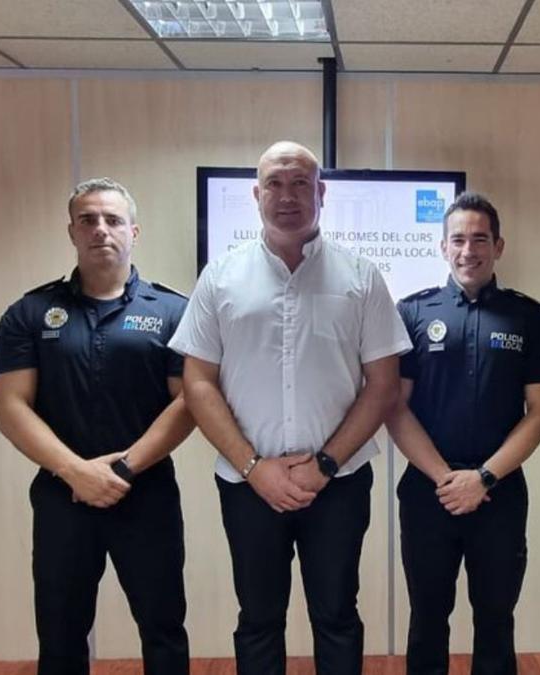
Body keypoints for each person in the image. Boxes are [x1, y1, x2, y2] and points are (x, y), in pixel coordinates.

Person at [170, 141, 411, 675]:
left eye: (300, 183)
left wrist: (324, 464)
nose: (287, 196)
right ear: (256, 195)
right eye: (275, 184)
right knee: (258, 619)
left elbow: (382, 384)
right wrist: (255, 468)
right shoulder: (220, 277)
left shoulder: (362, 277)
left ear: (321, 193)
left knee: (337, 617)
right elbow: (199, 383)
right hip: (248, 484)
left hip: (340, 482)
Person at [0, 177, 194, 675]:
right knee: (60, 630)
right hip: (63, 494)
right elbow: (12, 409)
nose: (100, 229)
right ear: (72, 231)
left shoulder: (174, 312)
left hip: (146, 492)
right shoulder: (29, 313)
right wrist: (76, 472)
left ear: (134, 231)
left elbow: (190, 402)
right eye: (88, 220)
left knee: (163, 625)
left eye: (112, 220)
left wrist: (124, 469)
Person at [384, 192, 540, 675]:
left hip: (498, 491)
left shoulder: (528, 315)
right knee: (428, 618)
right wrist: (445, 478)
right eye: (458, 239)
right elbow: (395, 407)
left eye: (480, 239)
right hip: (427, 493)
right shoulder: (413, 313)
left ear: (499, 246)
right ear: (442, 247)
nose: (468, 250)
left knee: (496, 619)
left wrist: (482, 478)